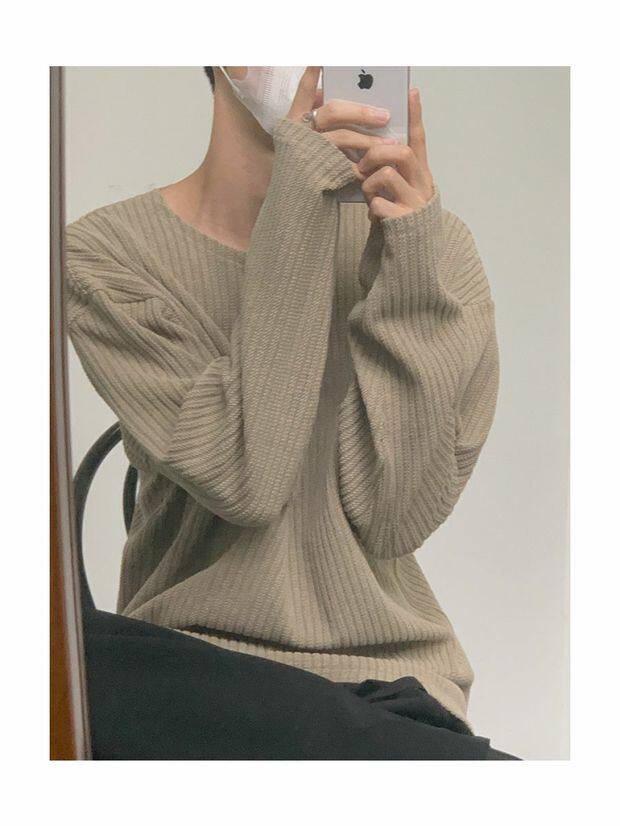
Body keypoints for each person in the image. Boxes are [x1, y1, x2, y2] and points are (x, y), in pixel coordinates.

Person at [65, 66, 518, 759]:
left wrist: (411, 268)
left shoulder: (430, 247)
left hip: (385, 687)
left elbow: (395, 517)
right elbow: (247, 477)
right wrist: (299, 203)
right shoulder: (104, 255)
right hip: (194, 676)